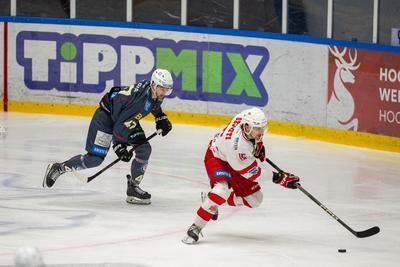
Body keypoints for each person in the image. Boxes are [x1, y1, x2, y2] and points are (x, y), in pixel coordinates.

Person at [42, 69, 173, 205]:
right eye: (162, 89)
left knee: (144, 149)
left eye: (167, 90)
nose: (164, 92)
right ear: (153, 84)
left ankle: (133, 187)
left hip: (125, 119)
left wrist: (160, 116)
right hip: (105, 120)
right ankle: (59, 167)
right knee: (94, 159)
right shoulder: (139, 99)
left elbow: (151, 105)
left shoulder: (153, 92)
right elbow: (120, 124)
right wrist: (118, 145)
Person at [182, 107, 300, 244]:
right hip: (217, 158)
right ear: (247, 127)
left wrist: (258, 146)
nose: (261, 132)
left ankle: (211, 200)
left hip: (234, 159)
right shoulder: (237, 147)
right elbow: (253, 174)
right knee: (221, 190)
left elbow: (252, 145)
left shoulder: (246, 118)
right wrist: (280, 178)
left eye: (262, 128)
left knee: (255, 199)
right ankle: (196, 226)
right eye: (257, 129)